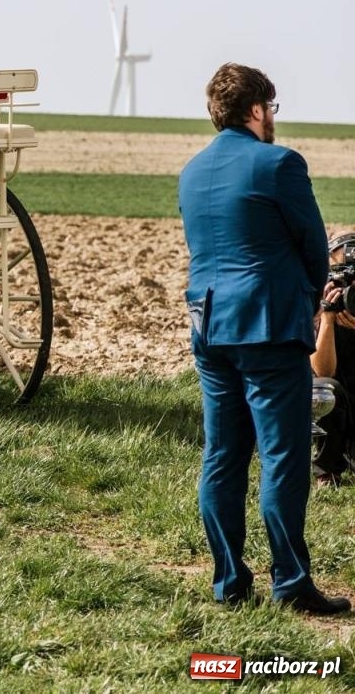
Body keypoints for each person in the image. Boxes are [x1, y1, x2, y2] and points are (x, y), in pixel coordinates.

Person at [178, 63, 346, 613]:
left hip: (209, 327)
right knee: (283, 455)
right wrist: (304, 301)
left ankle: (229, 582)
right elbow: (314, 248)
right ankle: (292, 584)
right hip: (268, 327)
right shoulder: (279, 164)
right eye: (271, 107)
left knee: (223, 455)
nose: (273, 117)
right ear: (256, 109)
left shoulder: (192, 171)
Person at [311, 233, 355, 484]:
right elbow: (322, 373)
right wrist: (327, 319)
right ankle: (327, 471)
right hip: (340, 409)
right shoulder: (320, 310)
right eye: (342, 276)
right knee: (324, 390)